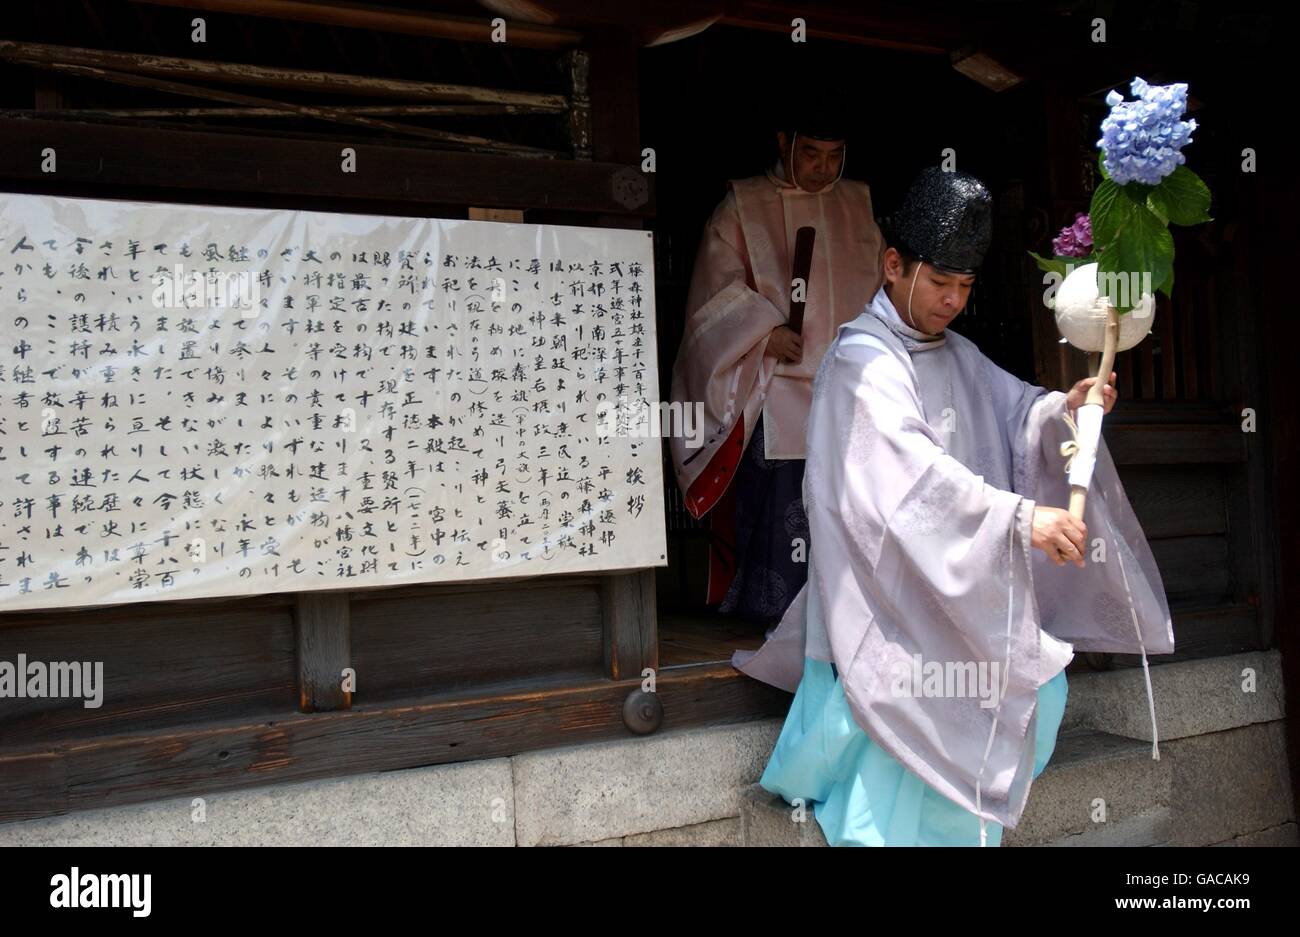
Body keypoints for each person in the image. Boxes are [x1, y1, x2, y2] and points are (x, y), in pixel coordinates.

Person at [732, 166, 1174, 846]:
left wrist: (1067, 410)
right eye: (939, 282)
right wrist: (1024, 519)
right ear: (892, 265)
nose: (952, 301)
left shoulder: (956, 353)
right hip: (889, 597)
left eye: (965, 287)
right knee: (918, 734)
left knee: (1041, 688)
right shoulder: (862, 362)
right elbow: (916, 481)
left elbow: (1017, 412)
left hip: (950, 587)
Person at [669, 105, 883, 627]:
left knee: (848, 497)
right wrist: (764, 335)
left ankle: (846, 618)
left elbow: (884, 288)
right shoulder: (743, 204)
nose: (823, 168)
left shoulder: (857, 204)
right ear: (785, 141)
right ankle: (772, 615)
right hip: (772, 389)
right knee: (781, 502)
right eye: (811, 153)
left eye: (835, 157)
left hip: (848, 386)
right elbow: (714, 296)